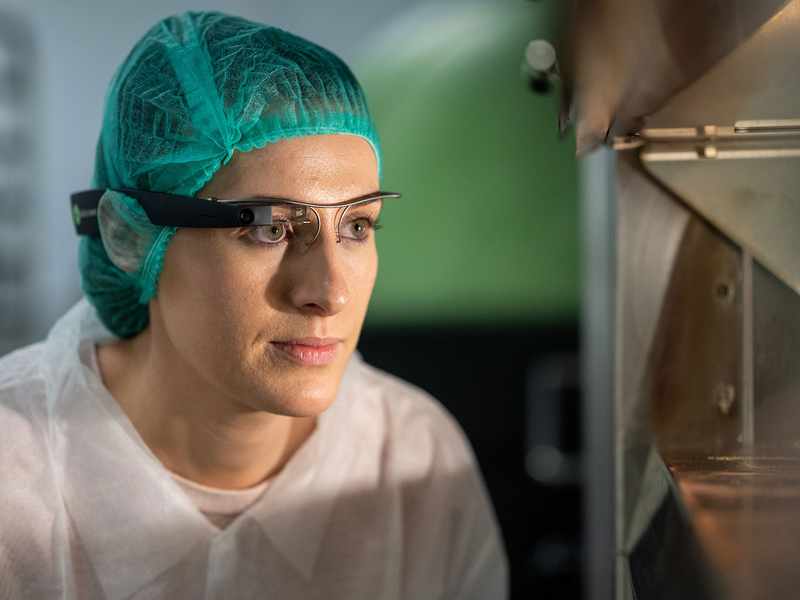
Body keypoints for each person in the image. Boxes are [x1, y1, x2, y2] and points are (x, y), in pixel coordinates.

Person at [0, 11, 508, 600]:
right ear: (129, 234)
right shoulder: (15, 470)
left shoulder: (412, 460)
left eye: (358, 225)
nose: (330, 291)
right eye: (269, 229)